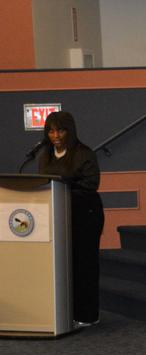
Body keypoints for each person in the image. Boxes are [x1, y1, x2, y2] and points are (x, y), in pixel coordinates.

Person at [38, 111, 104, 326]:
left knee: (83, 264)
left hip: (84, 215)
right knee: (61, 265)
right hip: (57, 217)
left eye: (60, 130)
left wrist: (63, 191)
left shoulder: (84, 154)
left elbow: (90, 184)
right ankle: (64, 312)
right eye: (50, 130)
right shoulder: (45, 155)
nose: (55, 135)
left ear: (70, 131)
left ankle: (87, 315)